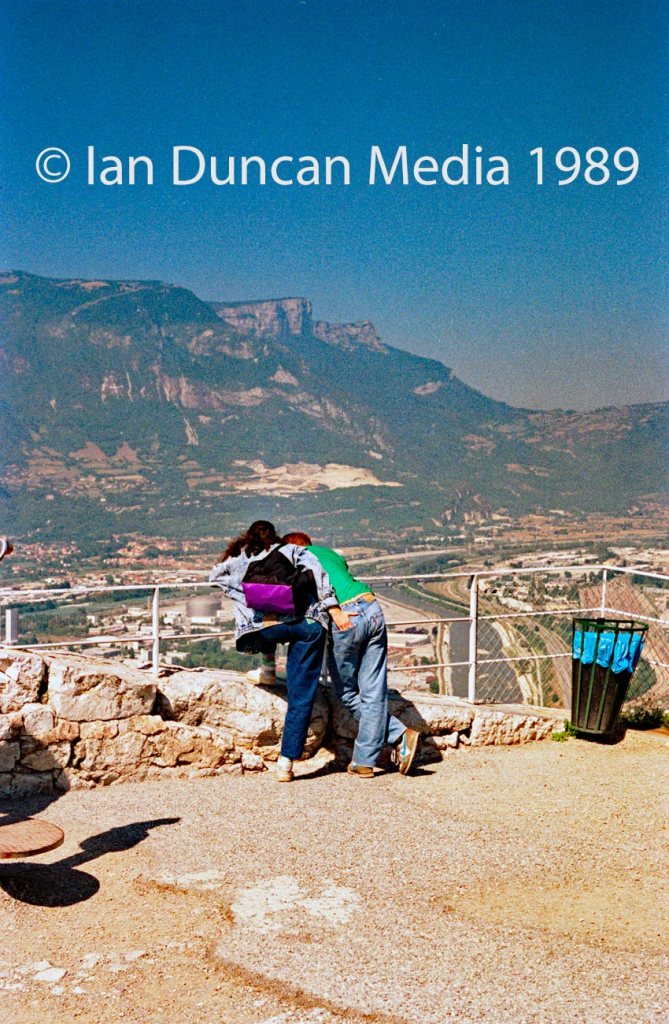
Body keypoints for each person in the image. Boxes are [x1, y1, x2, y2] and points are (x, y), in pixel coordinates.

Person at [281, 532, 420, 777]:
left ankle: (396, 735)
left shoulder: (298, 558)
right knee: (374, 691)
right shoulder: (330, 553)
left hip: (345, 617)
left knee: (347, 693)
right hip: (372, 606)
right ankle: (367, 759)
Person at [209, 520, 338, 782]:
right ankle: (286, 763)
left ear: (249, 537)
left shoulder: (240, 557)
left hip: (264, 628)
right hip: (308, 624)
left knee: (268, 630)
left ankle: (268, 669)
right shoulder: (290, 550)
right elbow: (317, 569)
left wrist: (248, 596)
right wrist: (329, 603)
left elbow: (215, 577)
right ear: (275, 535)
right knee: (300, 695)